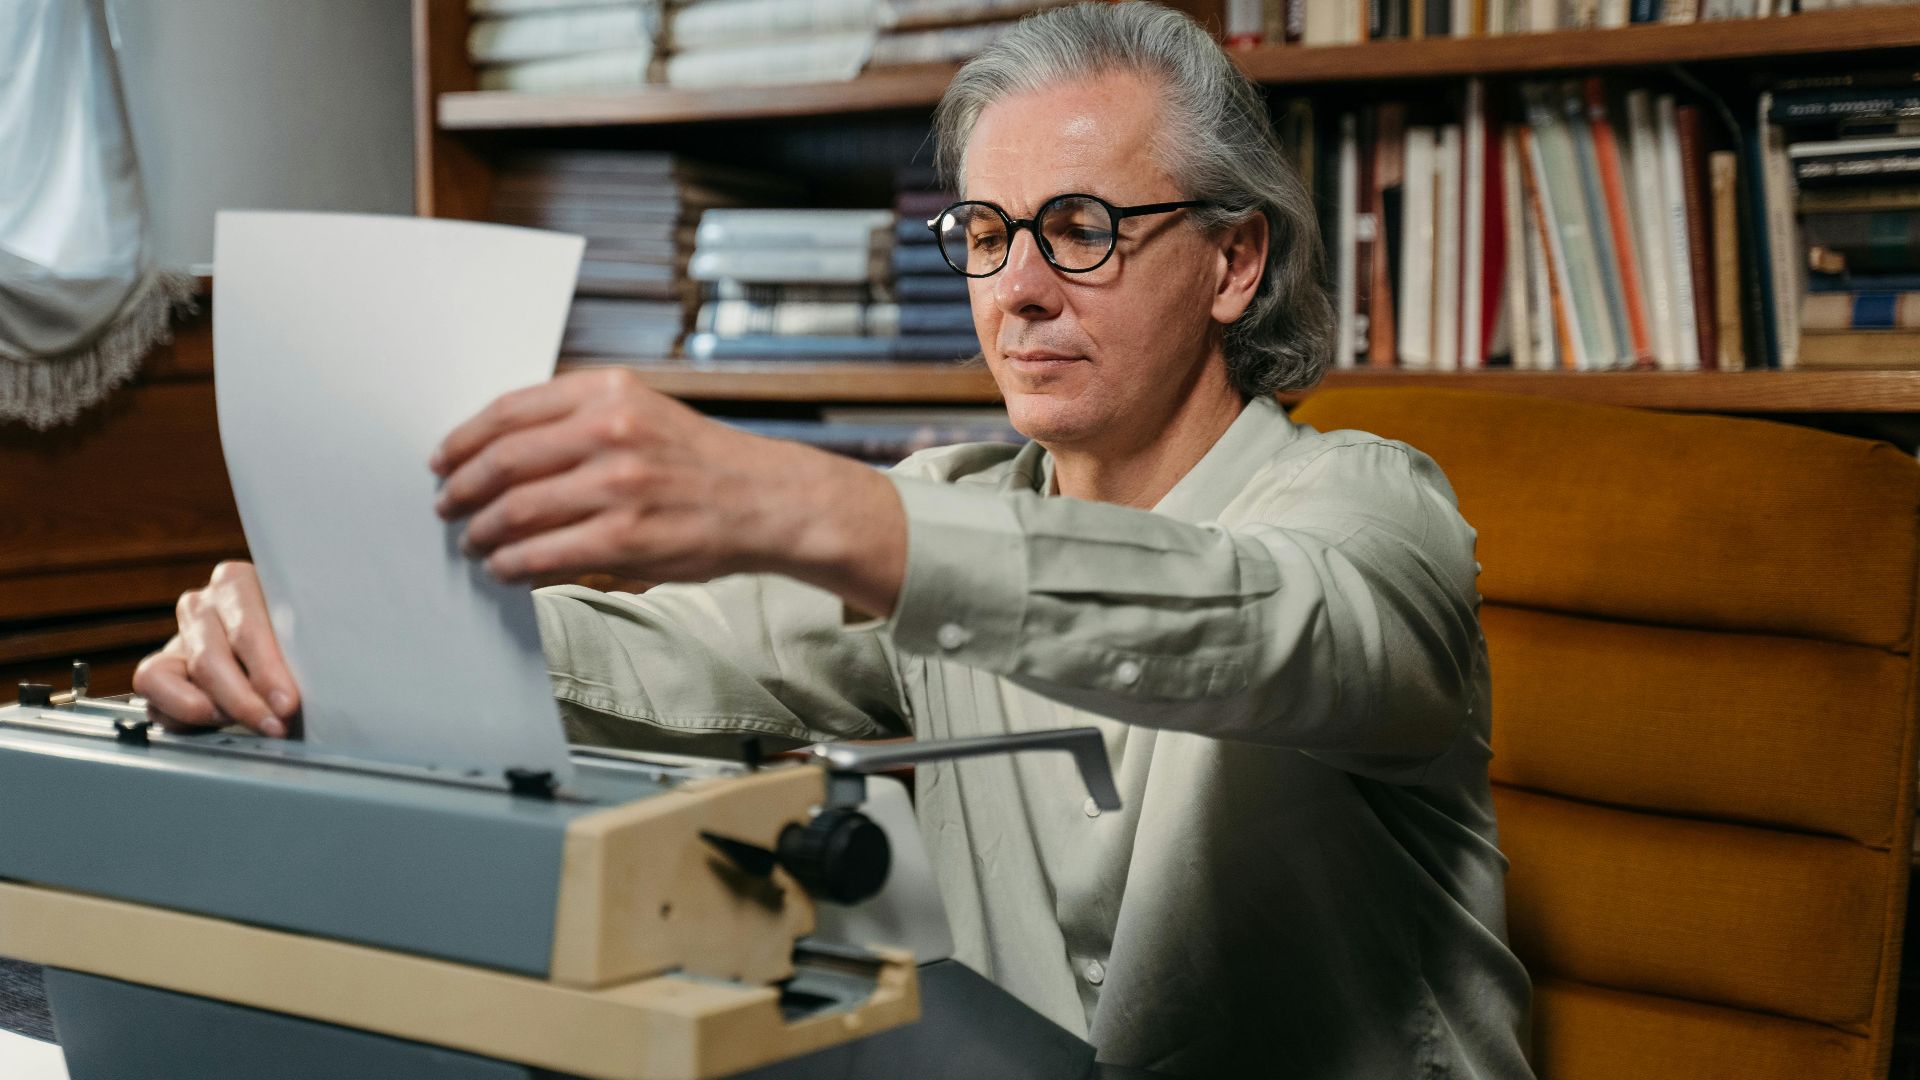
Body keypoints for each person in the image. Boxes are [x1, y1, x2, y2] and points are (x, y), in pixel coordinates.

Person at [134, 3, 1534, 1075]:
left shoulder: (1373, 507)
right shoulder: (960, 503)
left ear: (1235, 262)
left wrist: (812, 505)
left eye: (1084, 228)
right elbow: (665, 656)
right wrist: (327, 628)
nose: (1021, 291)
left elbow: (1259, 623)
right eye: (987, 234)